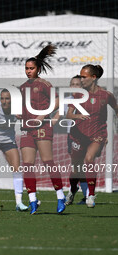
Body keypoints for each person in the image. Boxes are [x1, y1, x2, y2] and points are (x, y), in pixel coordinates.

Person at [19, 45, 66, 214]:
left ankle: (60, 196)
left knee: (48, 162)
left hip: (43, 128)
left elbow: (58, 101)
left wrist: (42, 116)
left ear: (38, 69)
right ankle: (33, 201)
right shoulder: (23, 87)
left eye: (31, 68)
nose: (28, 71)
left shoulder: (44, 84)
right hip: (26, 129)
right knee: (28, 165)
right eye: (26, 68)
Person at [66, 65, 118, 208]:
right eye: (80, 76)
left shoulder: (106, 95)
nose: (81, 80)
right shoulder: (78, 94)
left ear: (93, 77)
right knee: (76, 169)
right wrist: (77, 115)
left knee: (89, 159)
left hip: (97, 135)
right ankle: (72, 189)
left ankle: (90, 195)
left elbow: (116, 109)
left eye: (84, 77)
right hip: (78, 136)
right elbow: (68, 114)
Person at [64, 75, 88, 205]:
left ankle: (79, 192)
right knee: (77, 166)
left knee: (82, 166)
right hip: (71, 137)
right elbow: (57, 114)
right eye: (72, 84)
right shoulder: (66, 100)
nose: (74, 87)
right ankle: (82, 193)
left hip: (86, 137)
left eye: (77, 84)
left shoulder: (88, 101)